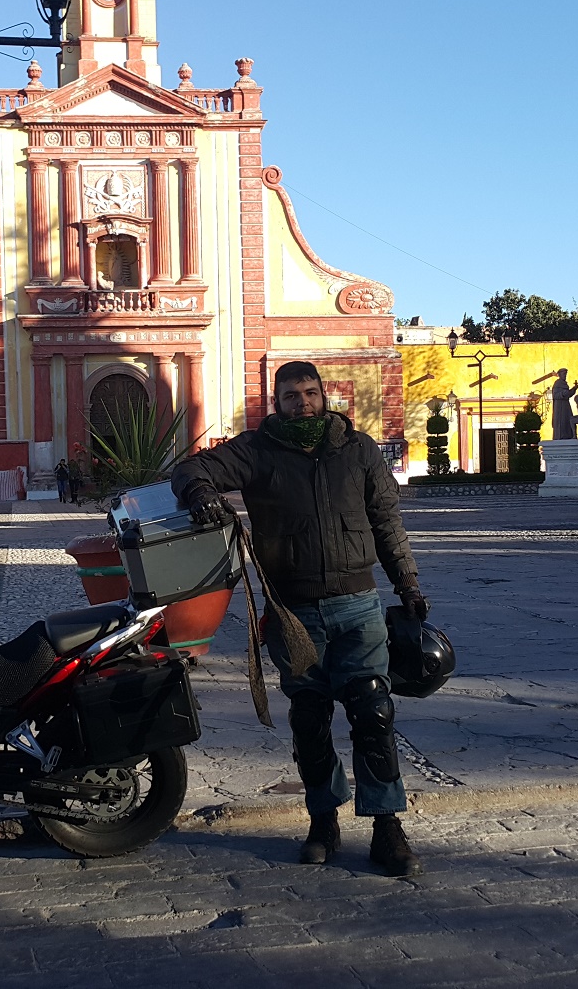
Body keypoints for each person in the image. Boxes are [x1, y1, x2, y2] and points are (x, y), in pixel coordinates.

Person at [172, 361, 429, 876]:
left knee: (373, 715)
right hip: (293, 613)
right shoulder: (257, 450)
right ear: (276, 401)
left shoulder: (357, 451)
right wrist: (203, 496)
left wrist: (408, 583)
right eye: (291, 396)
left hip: (358, 603)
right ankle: (322, 821)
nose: (303, 403)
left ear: (324, 395)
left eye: (310, 393)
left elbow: (386, 521)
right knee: (309, 721)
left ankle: (387, 826)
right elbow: (189, 470)